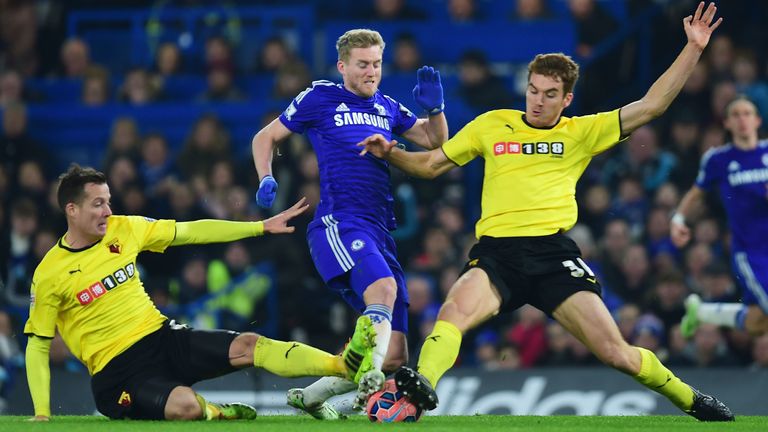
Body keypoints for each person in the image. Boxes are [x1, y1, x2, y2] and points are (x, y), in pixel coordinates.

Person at [359, 2, 733, 421]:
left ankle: (693, 401)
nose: (538, 101)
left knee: (617, 354)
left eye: (550, 94)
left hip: (554, 257)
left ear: (567, 98)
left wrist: (693, 49)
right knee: (452, 314)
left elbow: (652, 106)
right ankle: (421, 385)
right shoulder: (492, 124)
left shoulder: (582, 132)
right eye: (533, 90)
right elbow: (430, 165)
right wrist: (392, 153)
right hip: (498, 254)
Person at [23, 164, 377, 421]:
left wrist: (258, 228)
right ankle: (215, 413)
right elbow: (38, 345)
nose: (108, 211)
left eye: (108, 201)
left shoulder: (124, 228)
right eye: (98, 204)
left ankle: (341, 365)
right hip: (117, 374)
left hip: (161, 338)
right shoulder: (50, 274)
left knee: (248, 345)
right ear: (72, 209)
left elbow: (191, 231)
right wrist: (41, 413)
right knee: (186, 407)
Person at [251, 28, 448, 417]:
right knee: (384, 289)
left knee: (395, 354)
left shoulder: (387, 105)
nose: (371, 72)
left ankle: (314, 398)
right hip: (340, 223)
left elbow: (436, 143)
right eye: (362, 65)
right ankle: (368, 378)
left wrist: (436, 110)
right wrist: (266, 177)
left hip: (379, 230)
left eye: (376, 63)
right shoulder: (320, 96)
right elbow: (265, 136)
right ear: (343, 66)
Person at [671, 96, 768, 337]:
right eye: (736, 115)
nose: (742, 119)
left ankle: (702, 312)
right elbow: (697, 193)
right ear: (726, 123)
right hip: (751, 252)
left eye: (747, 113)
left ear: (757, 120)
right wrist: (678, 219)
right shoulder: (718, 159)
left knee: (758, 323)